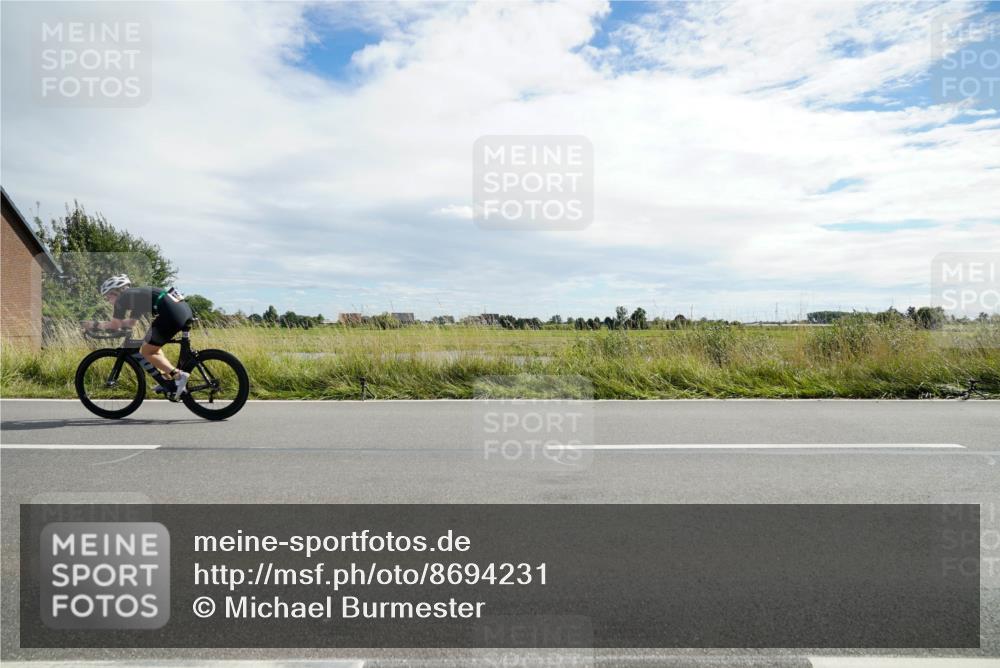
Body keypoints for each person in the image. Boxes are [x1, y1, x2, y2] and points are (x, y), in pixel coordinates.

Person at [87, 274, 192, 396]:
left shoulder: (123, 298)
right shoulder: (136, 297)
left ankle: (179, 376)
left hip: (171, 313)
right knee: (151, 346)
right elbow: (131, 322)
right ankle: (168, 380)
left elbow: (115, 325)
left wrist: (93, 325)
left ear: (115, 291)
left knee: (146, 351)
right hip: (182, 309)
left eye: (107, 296)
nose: (107, 300)